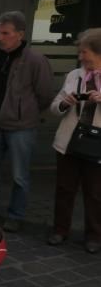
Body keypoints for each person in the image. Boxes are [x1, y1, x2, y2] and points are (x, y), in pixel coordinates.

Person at [0, 11, 55, 232]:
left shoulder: (36, 60)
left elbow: (45, 95)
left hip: (21, 127)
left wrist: (26, 113)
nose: (0, 38)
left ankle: (16, 215)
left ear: (20, 34)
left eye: (6, 33)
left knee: (19, 175)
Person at [47, 28, 101, 254]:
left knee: (95, 194)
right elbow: (54, 107)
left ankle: (94, 236)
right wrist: (65, 103)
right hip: (68, 142)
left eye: (84, 52)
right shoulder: (74, 75)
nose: (81, 56)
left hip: (97, 145)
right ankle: (60, 230)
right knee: (64, 189)